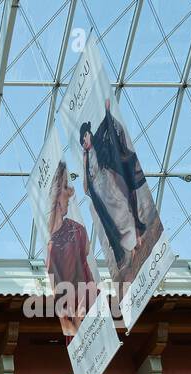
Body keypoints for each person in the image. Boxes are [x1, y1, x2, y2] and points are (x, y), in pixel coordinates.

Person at [80, 99, 148, 271]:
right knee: (116, 221)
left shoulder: (98, 142)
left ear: (89, 134)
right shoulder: (86, 160)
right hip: (101, 194)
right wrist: (84, 160)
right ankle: (131, 246)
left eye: (85, 137)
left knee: (123, 208)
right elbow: (86, 188)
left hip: (110, 183)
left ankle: (135, 241)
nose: (85, 141)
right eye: (82, 141)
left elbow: (105, 126)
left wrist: (107, 111)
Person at [44, 161, 98, 335]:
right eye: (66, 186)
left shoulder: (75, 230)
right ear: (57, 193)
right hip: (80, 306)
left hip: (81, 304)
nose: (71, 192)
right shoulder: (73, 232)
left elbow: (86, 251)